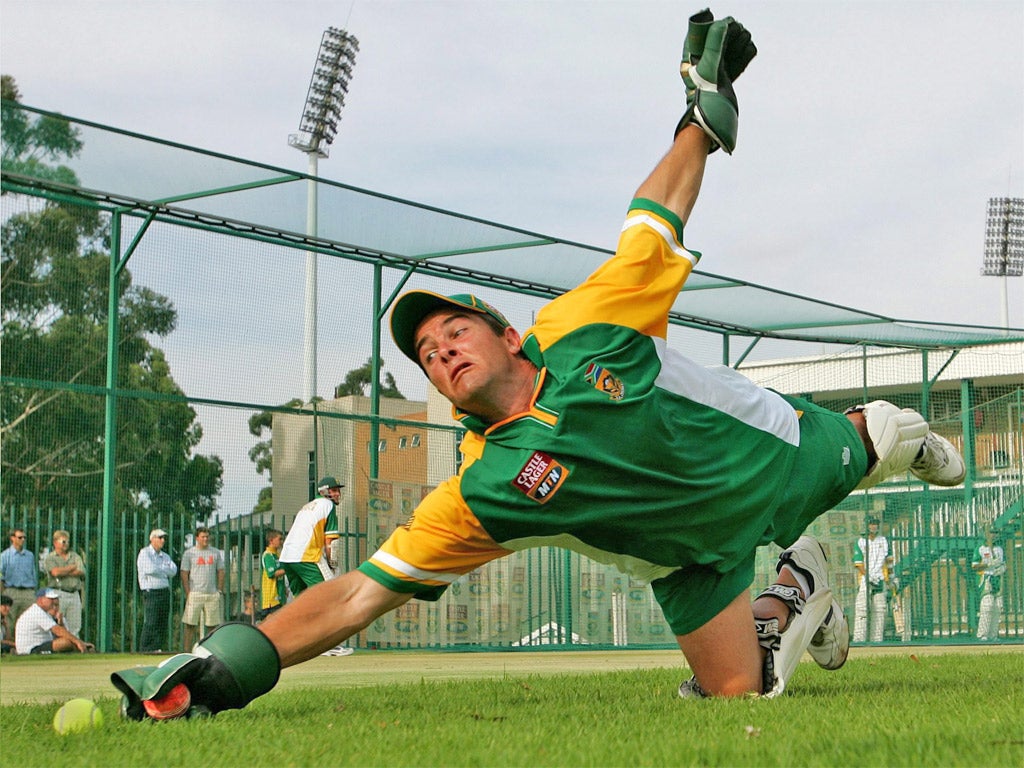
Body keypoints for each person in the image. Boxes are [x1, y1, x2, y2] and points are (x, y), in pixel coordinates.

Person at [112, 9, 967, 717]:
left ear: (507, 337)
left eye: (452, 329)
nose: (438, 347)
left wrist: (697, 125)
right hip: (687, 562)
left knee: (879, 437)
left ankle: (895, 437)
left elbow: (651, 219)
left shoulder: (585, 328)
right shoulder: (482, 491)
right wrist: (225, 670)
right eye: (423, 352)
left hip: (772, 461)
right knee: (740, 694)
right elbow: (354, 597)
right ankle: (795, 586)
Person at [278, 477, 342, 596]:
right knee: (327, 596)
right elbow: (331, 542)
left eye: (338, 490)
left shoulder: (308, 506)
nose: (337, 494)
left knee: (301, 599)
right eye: (333, 490)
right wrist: (332, 564)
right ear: (323, 491)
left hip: (287, 557)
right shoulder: (328, 505)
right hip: (306, 557)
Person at [180, 528, 225, 651]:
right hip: (195, 593)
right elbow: (184, 572)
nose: (205, 539)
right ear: (197, 538)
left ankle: (212, 651)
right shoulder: (189, 553)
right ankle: (186, 651)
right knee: (190, 624)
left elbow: (221, 571)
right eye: (203, 537)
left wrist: (219, 590)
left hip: (212, 594)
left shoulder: (215, 552)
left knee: (213, 626)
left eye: (207, 536)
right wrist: (188, 591)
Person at [14, 588, 94, 654]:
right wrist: (78, 642)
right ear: (40, 600)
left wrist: (61, 623)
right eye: (50, 599)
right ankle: (82, 650)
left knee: (67, 642)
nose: (54, 601)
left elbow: (61, 633)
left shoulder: (46, 613)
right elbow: (57, 630)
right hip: (31, 649)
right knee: (66, 643)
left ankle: (82, 649)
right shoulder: (36, 611)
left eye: (55, 599)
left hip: (42, 645)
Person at [137, 529, 178, 652]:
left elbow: (173, 571)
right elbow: (150, 569)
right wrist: (164, 570)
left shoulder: (165, 556)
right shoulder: (145, 553)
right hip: (151, 592)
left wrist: (160, 569)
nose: (163, 540)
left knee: (162, 621)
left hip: (164, 591)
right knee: (151, 621)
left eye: (163, 538)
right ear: (152, 539)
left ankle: (157, 647)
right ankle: (145, 649)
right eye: (160, 538)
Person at [853, 516, 892, 643]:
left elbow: (889, 561)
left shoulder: (884, 541)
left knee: (880, 610)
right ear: (866, 525)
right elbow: (859, 564)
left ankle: (877, 640)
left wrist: (890, 578)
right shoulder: (860, 542)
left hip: (880, 580)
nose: (874, 526)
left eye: (875, 524)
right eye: (871, 524)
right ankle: (859, 639)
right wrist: (868, 576)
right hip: (865, 580)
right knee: (862, 609)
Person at [42, 529, 87, 638]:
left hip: (74, 593)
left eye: (67, 541)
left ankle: (75, 649)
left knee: (75, 624)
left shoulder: (75, 556)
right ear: (55, 542)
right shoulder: (50, 558)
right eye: (63, 541)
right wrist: (71, 568)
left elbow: (81, 571)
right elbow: (55, 572)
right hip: (58, 593)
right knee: (58, 621)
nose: (66, 544)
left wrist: (63, 571)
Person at [1, 528, 38, 628]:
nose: (23, 540)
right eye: (20, 537)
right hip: (12, 590)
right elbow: (1, 575)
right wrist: (4, 592)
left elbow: (33, 574)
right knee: (9, 622)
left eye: (24, 537)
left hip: (28, 592)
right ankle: (9, 643)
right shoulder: (5, 555)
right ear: (12, 538)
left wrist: (33, 590)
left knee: (29, 621)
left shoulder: (30, 555)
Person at [973, 530, 1005, 641]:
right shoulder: (980, 548)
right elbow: (975, 566)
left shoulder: (1000, 549)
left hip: (997, 578)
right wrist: (988, 564)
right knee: (988, 605)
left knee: (998, 607)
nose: (994, 535)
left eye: (995, 532)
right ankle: (983, 635)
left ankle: (993, 635)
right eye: (991, 532)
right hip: (986, 578)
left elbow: (1004, 563)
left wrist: (1002, 568)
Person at [259, 529, 287, 620]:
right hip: (271, 597)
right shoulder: (268, 555)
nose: (281, 542)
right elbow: (272, 573)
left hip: (280, 595)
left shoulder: (277, 555)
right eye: (279, 539)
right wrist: (289, 568)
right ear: (271, 540)